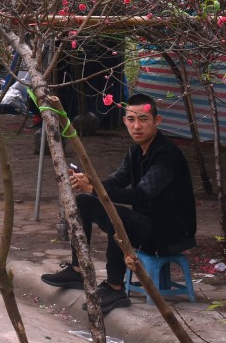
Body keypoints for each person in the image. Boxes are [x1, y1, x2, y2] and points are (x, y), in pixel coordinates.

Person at [40, 93, 197, 315]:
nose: (137, 126)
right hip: (144, 223)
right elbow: (114, 183)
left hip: (169, 232)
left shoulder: (167, 155)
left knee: (119, 217)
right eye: (131, 120)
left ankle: (115, 287)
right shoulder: (135, 151)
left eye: (143, 119)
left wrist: (94, 189)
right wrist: (89, 182)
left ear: (157, 120)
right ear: (124, 121)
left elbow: (141, 195)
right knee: (84, 202)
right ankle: (77, 270)